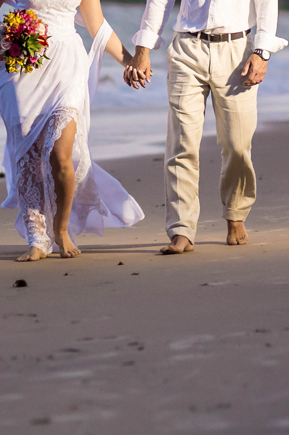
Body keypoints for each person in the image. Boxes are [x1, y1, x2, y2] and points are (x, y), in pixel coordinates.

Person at [0, 0, 145, 262]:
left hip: (67, 66)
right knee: (28, 156)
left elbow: (98, 27)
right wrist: (1, 38)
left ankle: (61, 229)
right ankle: (37, 239)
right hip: (23, 67)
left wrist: (130, 61)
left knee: (62, 155)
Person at [123, 0, 287, 254]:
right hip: (187, 48)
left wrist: (262, 51)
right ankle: (181, 229)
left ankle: (235, 213)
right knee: (182, 143)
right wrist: (142, 50)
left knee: (237, 143)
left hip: (237, 50)